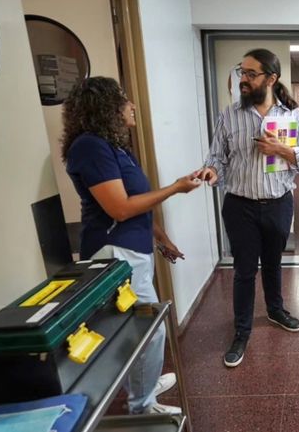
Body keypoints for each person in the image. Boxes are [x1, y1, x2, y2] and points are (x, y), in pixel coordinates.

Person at [62, 77, 202, 413]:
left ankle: (146, 385)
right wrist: (175, 188)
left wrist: (161, 238)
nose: (132, 106)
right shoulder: (90, 147)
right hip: (115, 254)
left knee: (141, 326)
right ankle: (142, 405)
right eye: (125, 100)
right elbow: (120, 208)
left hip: (134, 249)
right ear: (105, 108)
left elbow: (136, 203)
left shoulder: (114, 147)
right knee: (148, 330)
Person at [197, 49, 299, 368]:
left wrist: (282, 150)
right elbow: (216, 158)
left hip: (279, 204)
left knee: (274, 264)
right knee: (245, 271)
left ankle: (276, 311)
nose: (243, 80)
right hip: (240, 207)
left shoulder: (292, 116)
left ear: (271, 78)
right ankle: (241, 331)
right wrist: (211, 172)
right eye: (242, 73)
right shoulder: (230, 115)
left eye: (251, 74)